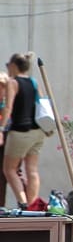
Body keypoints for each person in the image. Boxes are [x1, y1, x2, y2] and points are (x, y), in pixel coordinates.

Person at [0, 53, 46, 210]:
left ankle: (23, 202)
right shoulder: (33, 82)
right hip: (38, 131)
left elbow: (8, 107)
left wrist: (1, 128)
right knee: (32, 169)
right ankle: (32, 206)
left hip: (20, 131)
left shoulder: (13, 83)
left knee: (9, 169)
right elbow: (42, 104)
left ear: (13, 65)